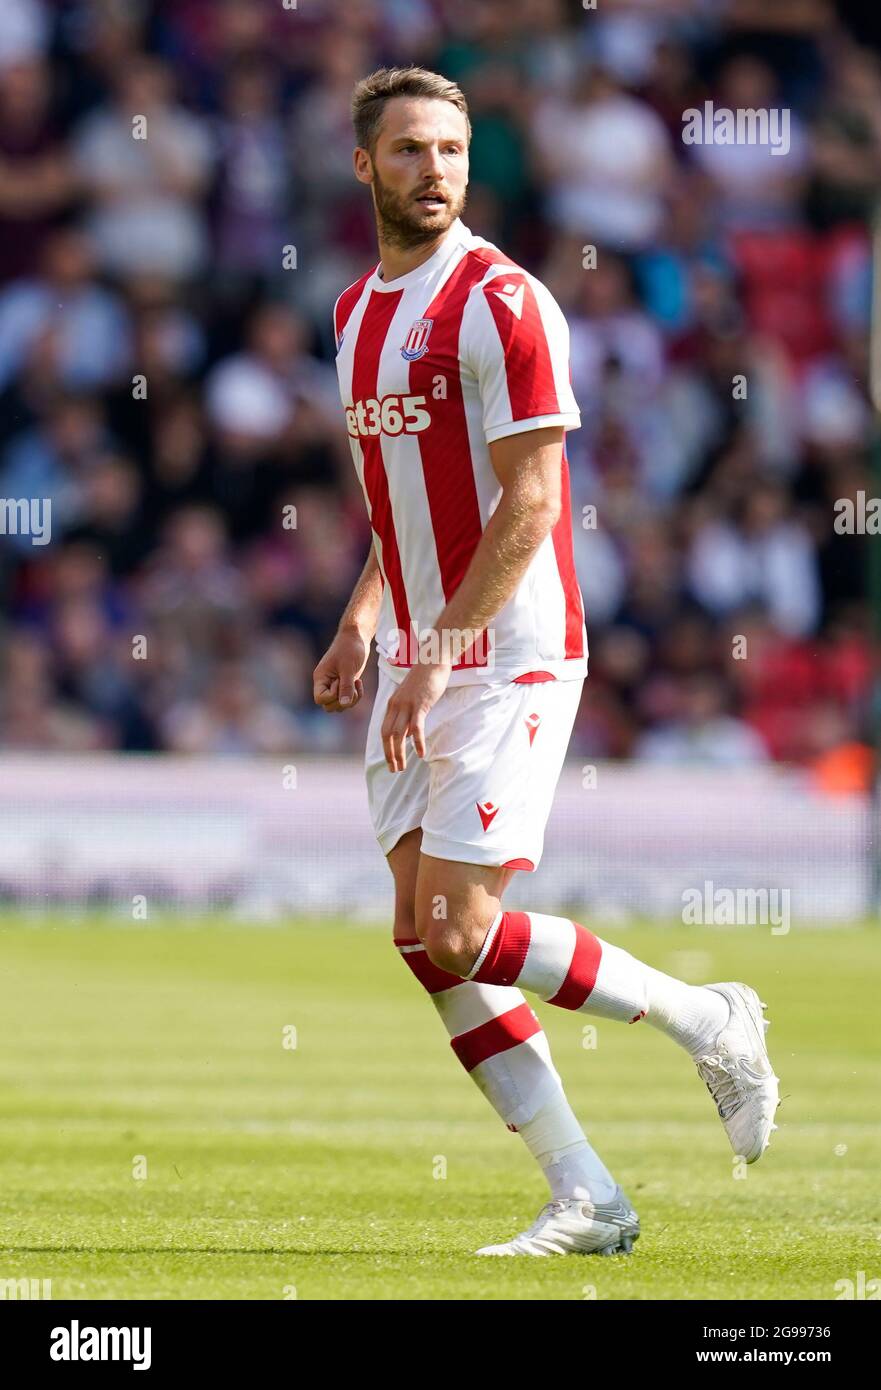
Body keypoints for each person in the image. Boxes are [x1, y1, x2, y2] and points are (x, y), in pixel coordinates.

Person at [313, 65, 779, 1257]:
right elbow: (398, 500)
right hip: (417, 648)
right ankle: (588, 1195)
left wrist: (440, 650)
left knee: (462, 928)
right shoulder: (354, 312)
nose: (435, 172)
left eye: (453, 152)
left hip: (505, 649)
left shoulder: (503, 302)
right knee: (426, 943)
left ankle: (706, 1018)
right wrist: (366, 618)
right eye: (410, 150)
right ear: (363, 164)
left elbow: (530, 504)